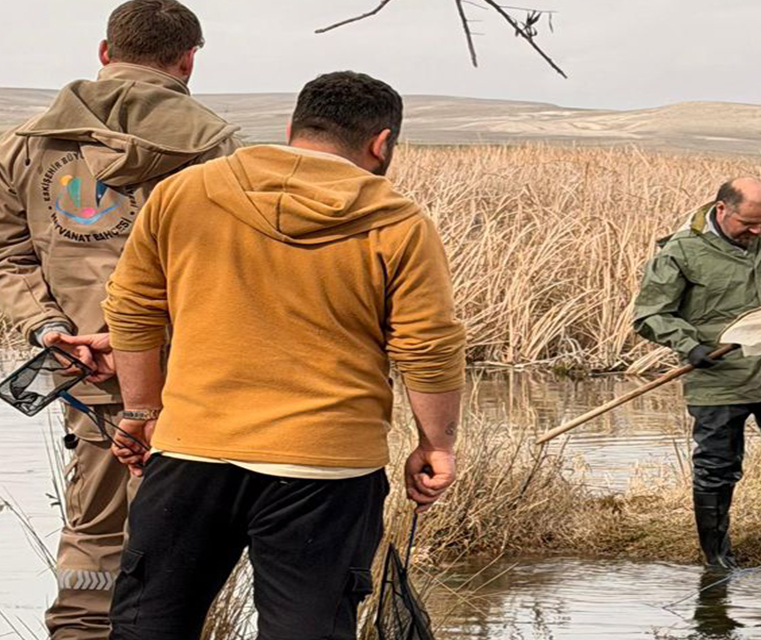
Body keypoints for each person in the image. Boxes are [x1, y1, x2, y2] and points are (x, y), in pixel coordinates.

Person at [100, 71, 466, 640]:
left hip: (192, 450)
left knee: (149, 627)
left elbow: (132, 310)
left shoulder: (184, 193)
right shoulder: (400, 222)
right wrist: (436, 444)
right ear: (381, 143)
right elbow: (428, 347)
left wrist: (142, 411)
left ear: (292, 128)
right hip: (327, 465)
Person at [0, 2, 238, 637]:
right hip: (190, 381)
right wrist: (138, 341)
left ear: (105, 52)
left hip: (83, 372)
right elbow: (225, 269)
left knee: (94, 539)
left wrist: (50, 330)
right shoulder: (215, 149)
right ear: (188, 60)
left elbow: (8, 256)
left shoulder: (26, 143)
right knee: (178, 544)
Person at [632, 177, 761, 574]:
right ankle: (716, 559)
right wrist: (689, 345)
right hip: (720, 376)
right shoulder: (681, 250)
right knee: (716, 467)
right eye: (748, 223)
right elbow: (650, 315)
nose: (758, 231)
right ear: (721, 209)